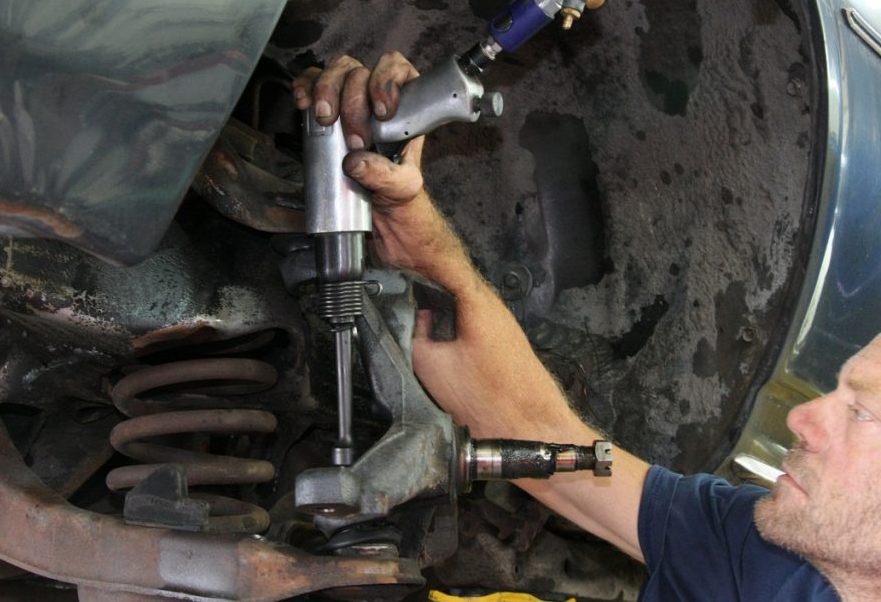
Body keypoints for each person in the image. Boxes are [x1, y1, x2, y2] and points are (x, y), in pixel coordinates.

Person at [293, 52, 881, 601]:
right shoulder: (768, 557)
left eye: (862, 411)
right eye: (838, 391)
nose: (803, 418)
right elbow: (540, 437)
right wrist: (413, 224)